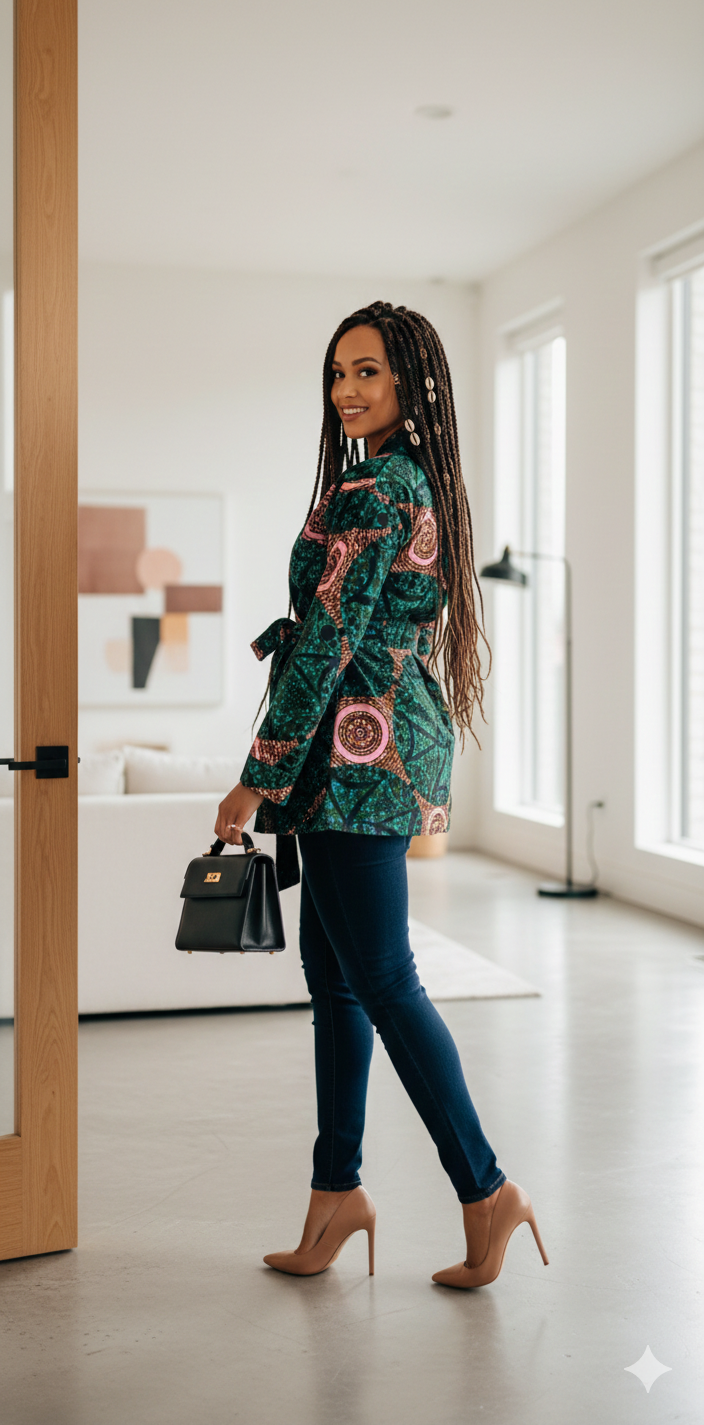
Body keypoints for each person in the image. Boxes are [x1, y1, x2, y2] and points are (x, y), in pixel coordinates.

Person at [215, 301, 548, 1289]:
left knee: (384, 979)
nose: (347, 391)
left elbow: (326, 640)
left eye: (367, 372)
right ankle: (336, 1195)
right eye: (337, 373)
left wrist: (256, 777)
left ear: (410, 381)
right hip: (374, 744)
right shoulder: (404, 478)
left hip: (356, 757)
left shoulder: (375, 486)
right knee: (336, 981)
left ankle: (486, 1188)